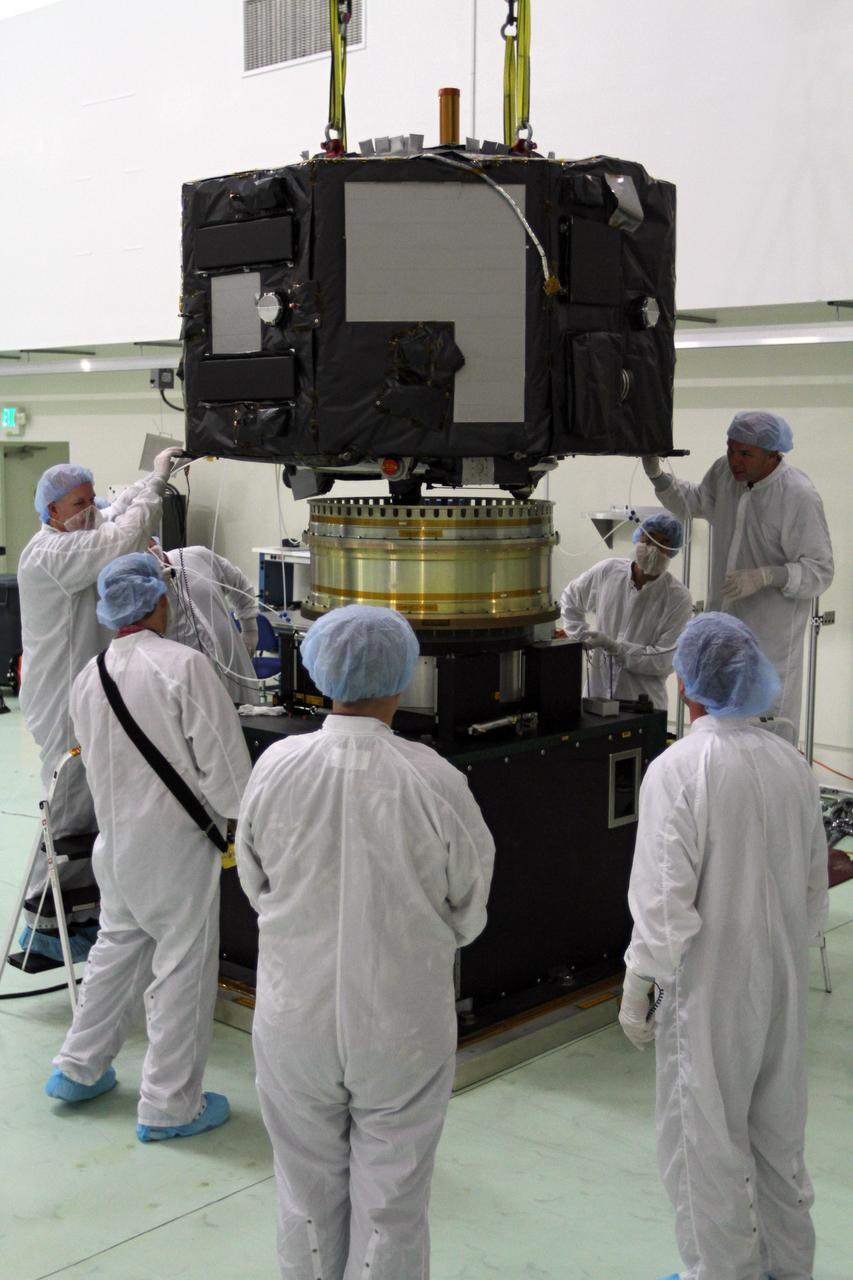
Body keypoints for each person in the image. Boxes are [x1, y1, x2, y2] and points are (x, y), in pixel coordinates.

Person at [236, 604, 495, 1279]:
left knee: (304, 1193)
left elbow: (255, 881)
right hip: (401, 1023)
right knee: (393, 1203)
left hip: (295, 1015)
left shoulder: (276, 767)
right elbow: (469, 907)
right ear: (402, 675)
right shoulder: (436, 781)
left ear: (321, 672)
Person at [619, 612, 828, 1280]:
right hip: (781, 980)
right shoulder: (789, 765)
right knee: (777, 1142)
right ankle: (788, 1269)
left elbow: (663, 903)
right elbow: (812, 888)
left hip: (708, 989)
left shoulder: (679, 769)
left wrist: (637, 984)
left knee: (702, 1146)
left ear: (686, 684)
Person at [45, 553, 251, 1141]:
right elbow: (228, 776)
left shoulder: (92, 674)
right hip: (177, 850)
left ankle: (78, 1067)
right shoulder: (183, 667)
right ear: (160, 601)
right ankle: (169, 1105)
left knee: (116, 953)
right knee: (183, 969)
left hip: (118, 846)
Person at [17, 449, 182, 961]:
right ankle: (47, 933)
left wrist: (139, 487)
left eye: (91, 499)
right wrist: (154, 487)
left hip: (84, 693)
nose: (92, 508)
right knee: (67, 814)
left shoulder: (74, 535)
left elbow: (112, 518)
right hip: (61, 699)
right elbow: (117, 537)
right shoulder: (51, 553)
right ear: (52, 513)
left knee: (90, 810)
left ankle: (84, 921)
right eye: (79, 503)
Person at [643, 411, 834, 738]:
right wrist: (657, 475)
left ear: (774, 455)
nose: (734, 460)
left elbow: (820, 571)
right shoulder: (723, 473)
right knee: (716, 738)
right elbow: (696, 502)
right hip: (723, 638)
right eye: (731, 448)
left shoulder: (798, 495)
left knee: (765, 739)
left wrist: (766, 576)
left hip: (767, 646)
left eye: (745, 453)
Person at [560, 513, 693, 710]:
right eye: (648, 539)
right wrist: (579, 636)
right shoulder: (608, 571)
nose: (653, 548)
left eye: (663, 543)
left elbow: (664, 660)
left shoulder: (677, 597)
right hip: (595, 698)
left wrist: (616, 647)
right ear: (638, 538)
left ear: (672, 550)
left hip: (643, 704)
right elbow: (571, 598)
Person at [148, 539, 261, 705]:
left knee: (253, 724)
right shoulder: (142, 592)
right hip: (194, 686)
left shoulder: (197, 556)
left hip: (236, 667)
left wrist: (250, 630)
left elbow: (240, 585)